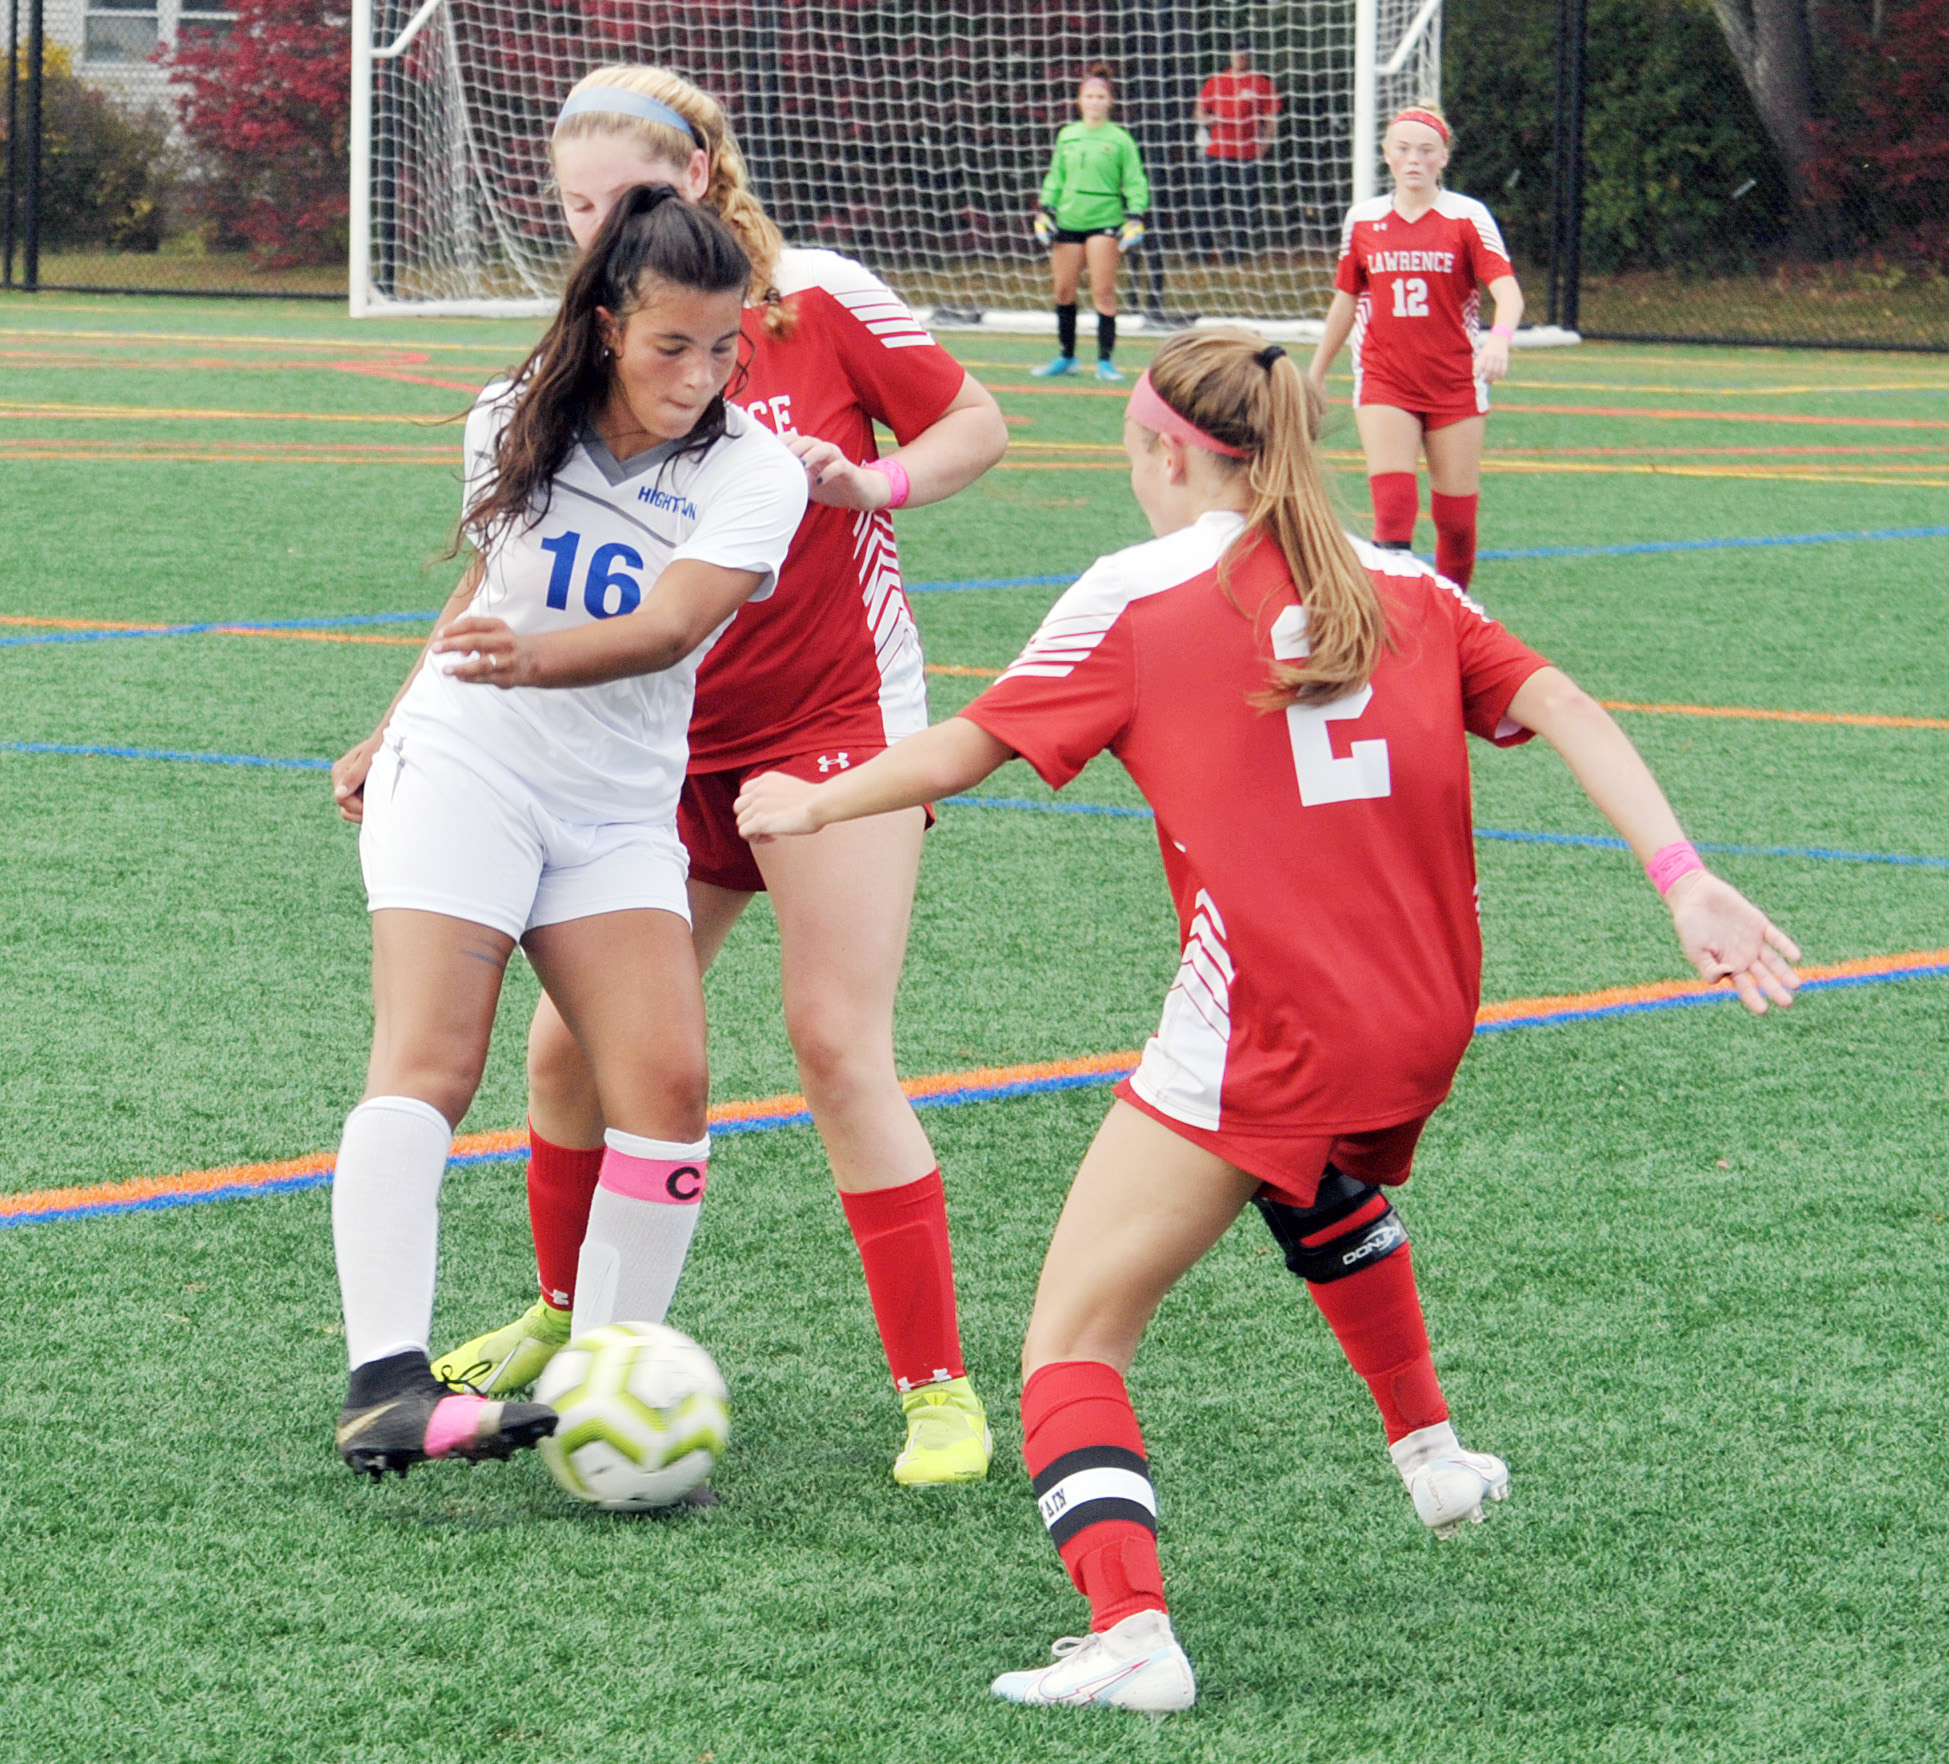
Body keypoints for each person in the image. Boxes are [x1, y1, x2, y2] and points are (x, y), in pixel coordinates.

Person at [734, 327, 1800, 1709]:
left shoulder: (1138, 591)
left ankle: (1131, 1638)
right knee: (1319, 1173)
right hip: (1424, 1013)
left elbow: (975, 744)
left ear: (1163, 453)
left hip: (1271, 1022)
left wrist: (815, 800)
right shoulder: (1404, 580)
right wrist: (1684, 879)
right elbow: (1570, 706)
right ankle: (1434, 1457)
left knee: (1070, 1340)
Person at [341, 64, 1010, 1487]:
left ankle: (935, 1384)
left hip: (823, 717)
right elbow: (498, 576)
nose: (593, 225)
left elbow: (972, 426)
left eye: (624, 197)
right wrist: (409, 709)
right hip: (651, 755)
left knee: (834, 1041)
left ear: (697, 175)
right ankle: (575, 1334)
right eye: (576, 207)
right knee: (565, 1053)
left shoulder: (812, 305)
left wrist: (866, 487)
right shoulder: (544, 386)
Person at [328, 185, 808, 1481]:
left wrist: (529, 667)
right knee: (431, 1053)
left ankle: (606, 1374)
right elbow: (488, 592)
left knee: (667, 1088)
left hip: (612, 805)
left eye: (725, 349)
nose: (700, 375)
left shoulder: (757, 472)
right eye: (672, 346)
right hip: (469, 766)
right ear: (607, 325)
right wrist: (393, 726)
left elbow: (663, 630)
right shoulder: (507, 416)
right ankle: (386, 1381)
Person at [1308, 104, 1522, 590]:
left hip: (1454, 383)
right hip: (1385, 379)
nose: (1414, 160)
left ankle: (1454, 617)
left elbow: (1507, 290)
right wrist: (1316, 372)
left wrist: (1500, 340)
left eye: (1426, 151)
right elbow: (1346, 300)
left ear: (1443, 157)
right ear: (1386, 154)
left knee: (1457, 526)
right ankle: (1394, 624)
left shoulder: (1467, 217)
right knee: (1394, 511)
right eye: (1402, 149)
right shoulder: (1363, 220)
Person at [1031, 62, 1151, 383]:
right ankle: (1067, 357)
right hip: (1069, 221)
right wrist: (1044, 209)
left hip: (1105, 221)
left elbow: (1134, 180)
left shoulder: (1121, 140)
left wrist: (1136, 214)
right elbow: (1056, 177)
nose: (1095, 102)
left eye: (1101, 96)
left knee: (1103, 292)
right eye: (1089, 96)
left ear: (1109, 102)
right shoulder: (1067, 136)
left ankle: (1105, 362)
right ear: (1080, 100)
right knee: (1063, 291)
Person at [1193, 36, 1281, 262]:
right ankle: (1204, 250)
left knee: (1241, 205)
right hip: (1215, 153)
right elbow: (1199, 112)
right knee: (1207, 201)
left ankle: (1236, 252)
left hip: (1245, 154)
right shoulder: (1216, 81)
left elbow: (1271, 120)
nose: (1239, 57)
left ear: (1250, 55)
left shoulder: (1261, 83)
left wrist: (1264, 145)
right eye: (1235, 52)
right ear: (1229, 55)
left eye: (1243, 52)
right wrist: (1210, 119)